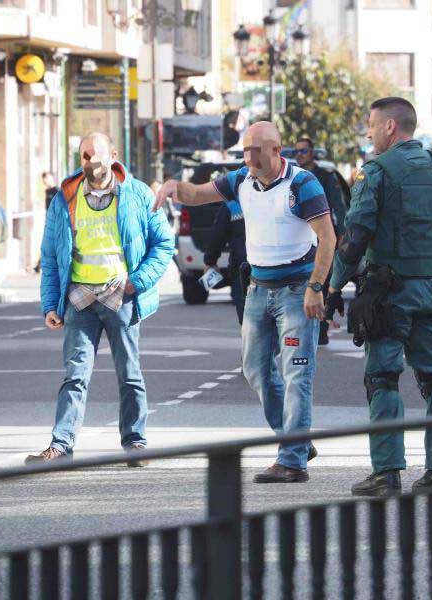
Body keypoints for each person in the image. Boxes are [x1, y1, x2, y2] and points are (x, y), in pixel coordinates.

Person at [155, 121, 336, 483]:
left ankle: (292, 461)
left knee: (296, 373)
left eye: (257, 152)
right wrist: (175, 186)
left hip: (297, 291)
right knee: (255, 370)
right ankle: (295, 438)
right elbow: (197, 194)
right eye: (246, 151)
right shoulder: (240, 180)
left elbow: (328, 237)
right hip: (258, 288)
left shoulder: (302, 185)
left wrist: (317, 288)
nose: (250, 159)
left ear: (276, 151)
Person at [324, 97, 432, 496]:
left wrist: (333, 287)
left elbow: (355, 239)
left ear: (390, 127)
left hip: (389, 294)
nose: (368, 133)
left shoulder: (377, 172)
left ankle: (386, 472)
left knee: (382, 379)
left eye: (371, 125)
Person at [26, 132, 174, 467]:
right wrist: (51, 304)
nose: (91, 160)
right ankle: (61, 446)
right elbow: (50, 255)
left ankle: (136, 443)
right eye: (85, 154)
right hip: (79, 299)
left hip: (121, 297)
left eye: (97, 154)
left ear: (114, 155)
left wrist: (137, 282)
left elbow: (164, 244)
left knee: (129, 373)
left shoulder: (137, 194)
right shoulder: (65, 198)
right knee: (75, 375)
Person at [294, 137, 347, 346]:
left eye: (304, 151)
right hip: (301, 237)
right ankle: (307, 327)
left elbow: (338, 206)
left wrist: (341, 233)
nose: (300, 155)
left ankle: (322, 328)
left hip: (322, 237)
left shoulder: (324, 176)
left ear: (312, 152)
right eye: (297, 151)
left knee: (322, 282)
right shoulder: (293, 176)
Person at [203, 197, 247, 324]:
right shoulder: (280, 194)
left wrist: (210, 261)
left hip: (243, 271)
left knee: (248, 322)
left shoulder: (233, 202)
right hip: (279, 271)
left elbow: (218, 234)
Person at [35, 171, 61, 273]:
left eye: (47, 179)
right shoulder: (47, 192)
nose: (45, 182)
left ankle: (40, 265)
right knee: (47, 245)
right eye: (44, 180)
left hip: (57, 222)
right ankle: (39, 265)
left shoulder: (57, 191)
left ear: (52, 178)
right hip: (49, 222)